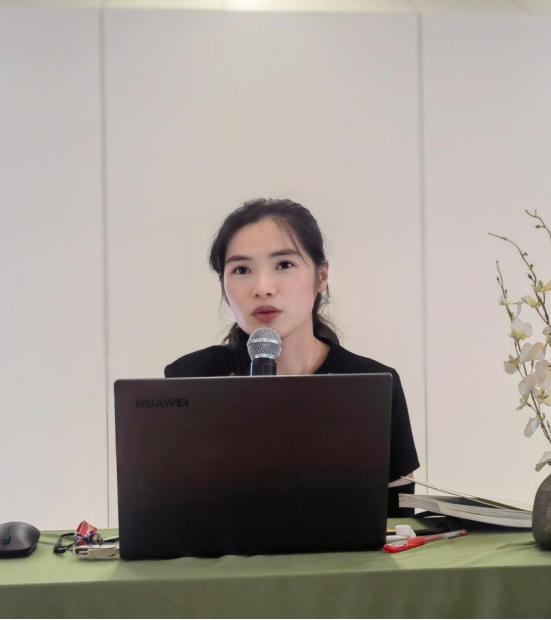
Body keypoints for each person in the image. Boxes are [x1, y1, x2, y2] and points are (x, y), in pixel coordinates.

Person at [165, 198, 419, 516]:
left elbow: (398, 521)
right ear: (223, 286)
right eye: (241, 270)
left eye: (284, 265)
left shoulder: (373, 384)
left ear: (321, 275)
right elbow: (170, 514)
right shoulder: (191, 378)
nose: (262, 288)